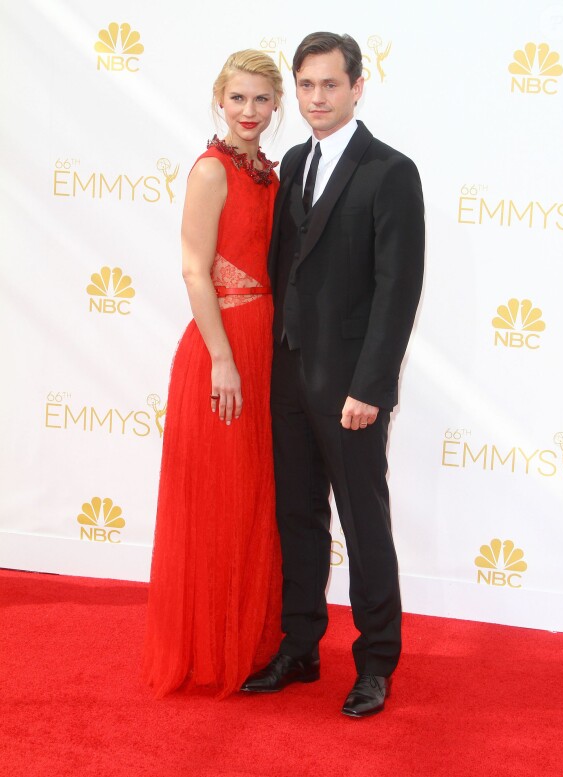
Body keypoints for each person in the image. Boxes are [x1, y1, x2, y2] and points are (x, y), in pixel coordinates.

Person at [241, 32, 425, 717]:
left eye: (330, 85)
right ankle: (301, 645)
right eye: (307, 85)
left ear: (357, 87)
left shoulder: (389, 171)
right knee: (298, 516)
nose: (317, 98)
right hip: (288, 376)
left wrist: (371, 387)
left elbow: (396, 289)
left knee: (364, 523)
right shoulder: (293, 160)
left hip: (350, 387)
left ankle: (376, 661)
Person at [143, 50, 284, 699]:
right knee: (220, 499)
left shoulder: (268, 172)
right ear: (218, 101)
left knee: (253, 497)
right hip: (221, 351)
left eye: (261, 100)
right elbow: (195, 269)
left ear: (276, 105)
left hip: (264, 347)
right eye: (238, 99)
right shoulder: (210, 170)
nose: (250, 112)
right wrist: (223, 357)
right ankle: (208, 647)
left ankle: (249, 637)